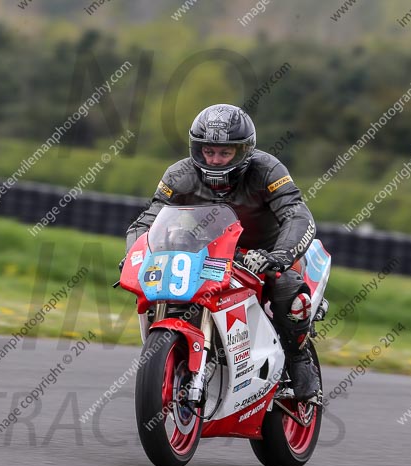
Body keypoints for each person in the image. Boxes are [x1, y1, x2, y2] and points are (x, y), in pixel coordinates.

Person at [123, 103, 319, 401]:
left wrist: (279, 256)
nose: (214, 160)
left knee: (287, 290)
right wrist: (136, 254)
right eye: (208, 151)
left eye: (224, 153)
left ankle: (299, 362)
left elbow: (297, 214)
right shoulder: (179, 175)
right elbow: (147, 221)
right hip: (209, 254)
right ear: (197, 149)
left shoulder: (268, 170)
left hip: (266, 254)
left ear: (243, 151)